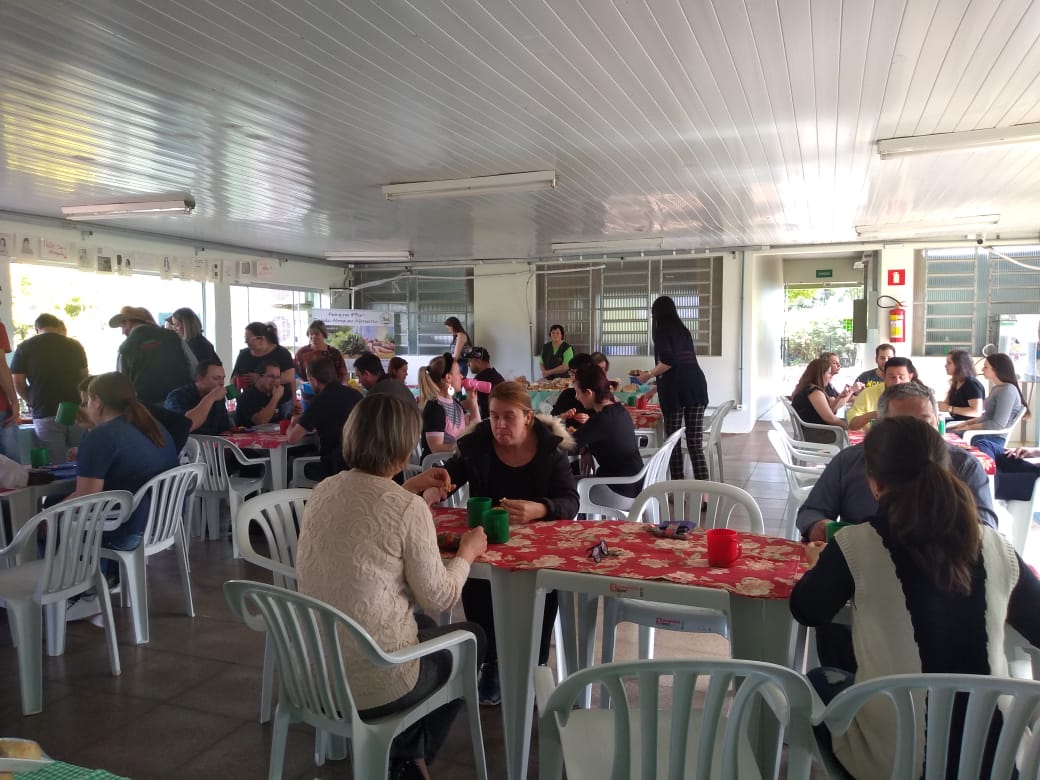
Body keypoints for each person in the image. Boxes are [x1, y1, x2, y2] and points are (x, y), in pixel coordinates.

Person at [790, 416, 1040, 780]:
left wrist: (819, 565)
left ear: (875, 483)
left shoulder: (857, 544)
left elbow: (806, 609)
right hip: (1000, 762)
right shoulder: (996, 546)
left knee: (819, 679)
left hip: (896, 763)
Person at [296, 393, 488, 779]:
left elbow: (369, 504)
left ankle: (403, 750)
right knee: (473, 638)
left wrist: (410, 486)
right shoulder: (407, 509)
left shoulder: (323, 490)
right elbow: (440, 597)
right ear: (404, 447)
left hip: (313, 671)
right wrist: (467, 552)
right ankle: (409, 757)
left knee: (425, 628)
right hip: (373, 685)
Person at [442, 381, 579, 705]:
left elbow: (570, 501)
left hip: (538, 546)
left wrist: (541, 508)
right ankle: (491, 663)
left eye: (508, 417)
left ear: (528, 417)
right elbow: (450, 477)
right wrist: (437, 485)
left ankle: (536, 665)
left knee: (544, 586)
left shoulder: (550, 448)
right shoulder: (477, 445)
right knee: (475, 580)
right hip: (488, 541)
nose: (499, 424)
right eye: (493, 416)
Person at [796, 381, 998, 542]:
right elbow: (812, 511)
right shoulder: (851, 460)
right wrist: (819, 526)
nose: (914, 432)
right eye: (901, 424)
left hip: (940, 570)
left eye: (924, 422)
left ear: (937, 422)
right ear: (880, 425)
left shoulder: (965, 466)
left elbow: (986, 533)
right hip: (859, 564)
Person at [65, 373, 178, 586]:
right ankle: (100, 581)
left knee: (51, 521)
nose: (86, 407)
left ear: (97, 402)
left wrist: (43, 518)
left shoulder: (101, 437)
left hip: (129, 531)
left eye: (87, 402)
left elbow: (86, 498)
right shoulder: (154, 427)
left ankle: (78, 591)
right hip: (161, 524)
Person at [635, 296, 709, 481]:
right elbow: (680, 365)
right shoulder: (683, 330)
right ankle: (705, 492)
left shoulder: (661, 330)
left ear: (657, 313)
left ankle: (677, 487)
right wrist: (655, 388)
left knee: (673, 441)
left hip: (676, 393)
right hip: (696, 387)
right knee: (695, 442)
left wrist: (648, 374)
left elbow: (669, 362)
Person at [11, 313, 89, 463]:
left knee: (56, 463)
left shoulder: (25, 348)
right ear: (58, 327)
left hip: (44, 410)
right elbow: (84, 378)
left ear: (37, 329)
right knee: (82, 458)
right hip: (75, 410)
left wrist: (32, 401)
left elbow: (18, 383)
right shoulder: (75, 346)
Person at [569, 364, 644, 505]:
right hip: (635, 485)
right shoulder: (619, 410)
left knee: (562, 487)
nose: (576, 397)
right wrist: (585, 450)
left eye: (578, 392)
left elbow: (566, 446)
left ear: (589, 393)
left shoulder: (602, 419)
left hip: (619, 490)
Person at [286, 356, 363, 480]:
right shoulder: (356, 395)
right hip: (360, 462)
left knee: (290, 465)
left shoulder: (320, 400)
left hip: (334, 466)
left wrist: (292, 423)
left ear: (314, 381)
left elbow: (292, 438)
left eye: (309, 381)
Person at [109, 305, 194, 404]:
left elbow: (122, 385)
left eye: (122, 327)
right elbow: (193, 365)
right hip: (181, 401)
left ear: (127, 322)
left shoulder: (125, 348)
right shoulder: (173, 336)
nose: (122, 332)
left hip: (148, 407)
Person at [947, 352, 1026, 459]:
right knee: (948, 432)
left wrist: (969, 427)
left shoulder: (1007, 391)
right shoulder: (997, 388)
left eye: (985, 367)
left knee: (948, 438)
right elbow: (987, 416)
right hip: (983, 433)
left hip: (992, 438)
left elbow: (997, 424)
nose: (982, 369)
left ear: (996, 369)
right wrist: (966, 423)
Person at [418, 353, 478, 458]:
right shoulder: (435, 408)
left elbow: (475, 429)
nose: (462, 376)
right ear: (448, 377)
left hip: (455, 462)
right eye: (458, 373)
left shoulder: (455, 403)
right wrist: (464, 446)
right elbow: (436, 448)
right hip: (437, 466)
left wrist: (473, 403)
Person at [231, 322, 295, 418]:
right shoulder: (244, 355)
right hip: (252, 403)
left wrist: (261, 380)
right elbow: (233, 379)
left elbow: (290, 376)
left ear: (261, 339)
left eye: (248, 339)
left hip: (281, 401)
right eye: (245, 339)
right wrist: (238, 399)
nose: (246, 342)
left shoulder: (281, 353)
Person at [846, 356, 917, 430]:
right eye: (892, 377)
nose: (897, 382)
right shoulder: (867, 394)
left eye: (901, 377)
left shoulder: (918, 397)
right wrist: (874, 414)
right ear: (883, 376)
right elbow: (852, 424)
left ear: (910, 377)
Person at [789, 358, 850, 443]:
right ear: (820, 374)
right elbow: (831, 419)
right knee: (850, 433)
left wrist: (839, 397)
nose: (831, 376)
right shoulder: (815, 392)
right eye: (829, 373)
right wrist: (851, 427)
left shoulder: (806, 388)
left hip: (809, 430)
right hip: (817, 433)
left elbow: (829, 411)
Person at [164, 359, 232, 435]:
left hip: (212, 442)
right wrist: (211, 397)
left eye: (223, 378)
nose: (222, 383)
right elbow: (184, 426)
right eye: (216, 378)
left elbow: (224, 429)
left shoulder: (218, 398)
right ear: (199, 379)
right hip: (188, 441)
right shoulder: (177, 396)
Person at [235, 362, 294, 427]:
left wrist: (293, 415)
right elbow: (260, 421)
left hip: (272, 432)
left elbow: (279, 422)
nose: (275, 380)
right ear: (259, 377)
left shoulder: (274, 393)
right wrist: (275, 398)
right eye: (271, 376)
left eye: (278, 377)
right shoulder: (247, 396)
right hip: (247, 433)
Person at [938, 349, 985, 421]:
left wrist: (950, 408)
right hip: (957, 421)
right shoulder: (956, 383)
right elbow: (945, 404)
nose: (945, 365)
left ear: (959, 365)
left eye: (949, 363)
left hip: (969, 424)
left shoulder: (971, 384)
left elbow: (976, 412)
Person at [294, 319, 347, 384]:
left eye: (317, 334)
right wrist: (303, 383)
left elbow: (343, 374)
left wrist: (343, 387)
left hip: (332, 389)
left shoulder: (334, 353)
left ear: (324, 335)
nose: (313, 336)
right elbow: (295, 374)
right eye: (311, 334)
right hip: (308, 388)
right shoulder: (302, 352)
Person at [550, 353, 595, 424]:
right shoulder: (568, 394)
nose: (573, 378)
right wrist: (563, 416)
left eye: (576, 373)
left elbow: (605, 424)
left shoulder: (597, 397)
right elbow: (551, 418)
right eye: (571, 373)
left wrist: (590, 421)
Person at [466, 346, 505, 419]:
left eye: (470, 361)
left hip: (487, 421)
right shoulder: (498, 376)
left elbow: (471, 402)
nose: (468, 364)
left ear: (478, 361)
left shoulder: (479, 379)